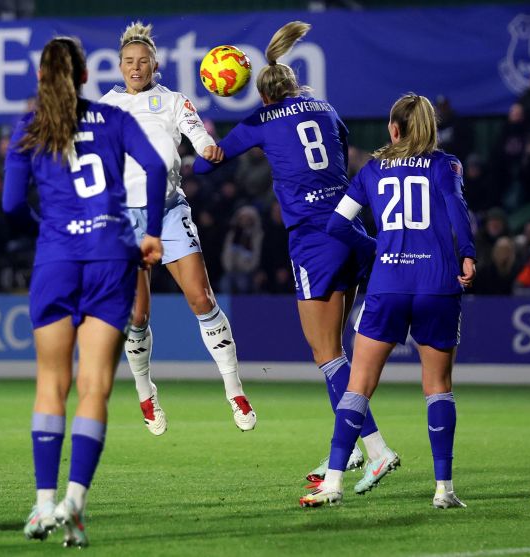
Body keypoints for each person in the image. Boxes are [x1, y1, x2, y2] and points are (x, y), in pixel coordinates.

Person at [194, 22, 398, 490]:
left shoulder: (263, 120)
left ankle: (377, 449)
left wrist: (201, 141)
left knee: (326, 355)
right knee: (338, 351)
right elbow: (342, 151)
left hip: (313, 236)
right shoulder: (326, 109)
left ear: (265, 96)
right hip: (350, 226)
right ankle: (343, 453)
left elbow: (211, 161)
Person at [3, 36, 167, 547]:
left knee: (51, 383)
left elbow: (10, 205)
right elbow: (159, 166)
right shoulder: (114, 120)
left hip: (56, 261)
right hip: (110, 259)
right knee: (94, 386)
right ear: (85, 77)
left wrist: (48, 226)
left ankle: (43, 503)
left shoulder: (28, 128)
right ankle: (75, 503)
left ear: (39, 79)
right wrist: (153, 232)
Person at [301, 93, 476, 509]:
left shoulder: (371, 169)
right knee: (438, 387)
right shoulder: (446, 165)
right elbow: (457, 210)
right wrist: (467, 254)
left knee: (359, 385)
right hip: (437, 281)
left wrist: (376, 248)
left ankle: (334, 483)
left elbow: (337, 224)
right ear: (430, 128)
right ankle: (443, 490)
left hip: (389, 281)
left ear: (393, 130)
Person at [99, 21, 255, 435]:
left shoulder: (173, 102)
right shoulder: (103, 108)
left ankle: (235, 391)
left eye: (142, 62)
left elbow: (197, 136)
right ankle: (146, 394)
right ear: (119, 65)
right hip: (122, 219)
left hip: (167, 210)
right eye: (129, 62)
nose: (135, 68)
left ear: (154, 65)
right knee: (136, 314)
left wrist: (208, 149)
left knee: (201, 299)